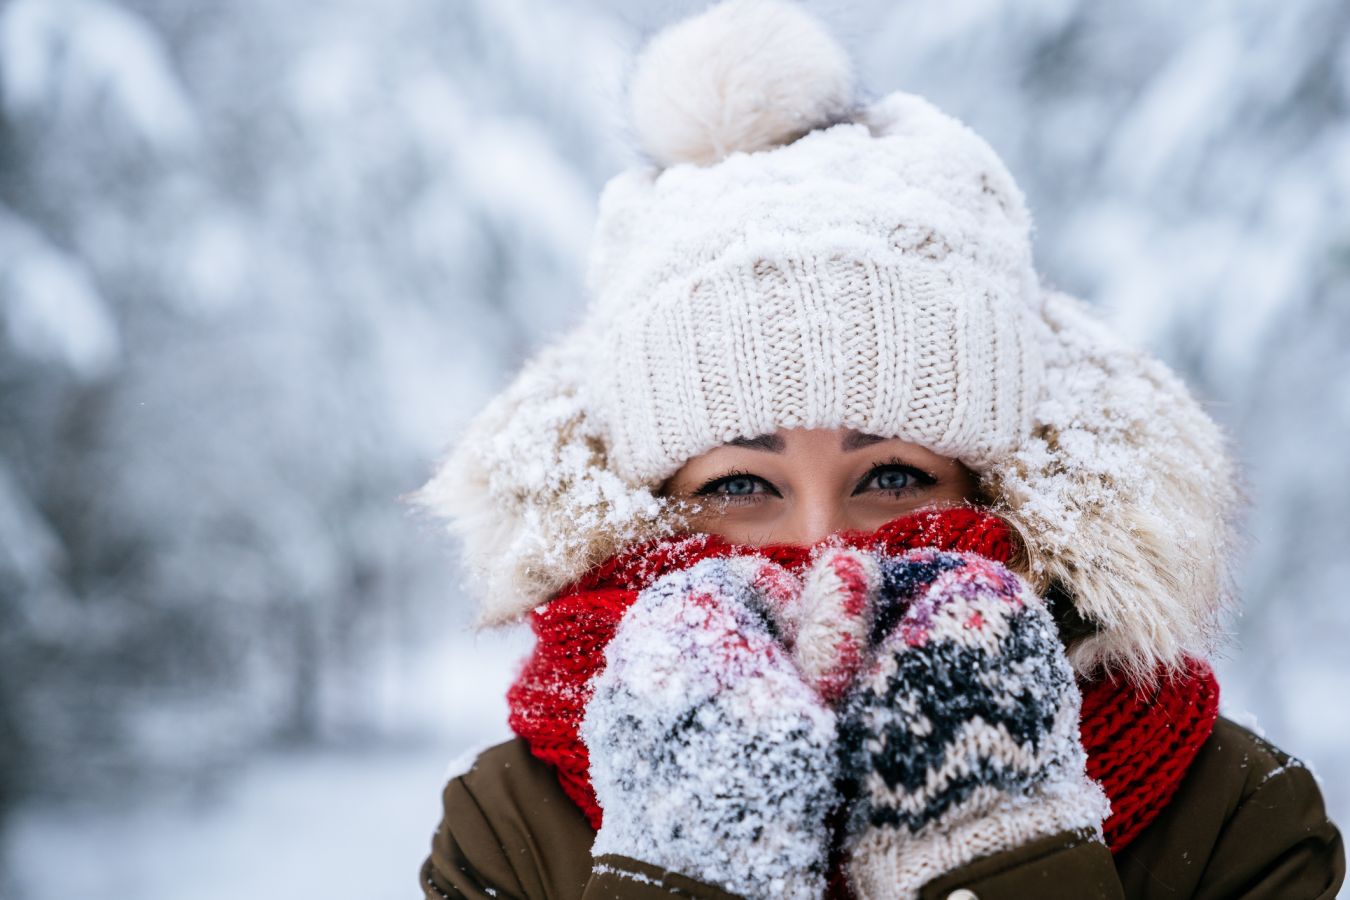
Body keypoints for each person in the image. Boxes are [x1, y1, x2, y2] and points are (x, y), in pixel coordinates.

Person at [407, 1, 1345, 897]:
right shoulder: (508, 830)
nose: (826, 545)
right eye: (740, 482)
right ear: (649, 508)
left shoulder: (1228, 813)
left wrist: (996, 857)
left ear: (999, 490)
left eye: (892, 476)